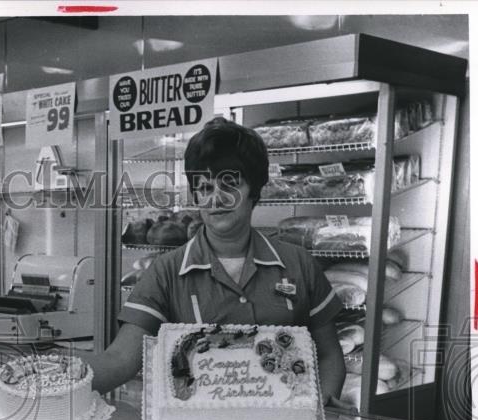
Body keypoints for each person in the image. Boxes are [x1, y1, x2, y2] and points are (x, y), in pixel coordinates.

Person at [87, 117, 346, 404]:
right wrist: (61, 378)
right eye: (205, 188)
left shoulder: (298, 264)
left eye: (229, 185)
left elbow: (330, 354)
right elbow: (121, 358)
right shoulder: (167, 272)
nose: (215, 199)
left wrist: (319, 406)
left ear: (254, 191)